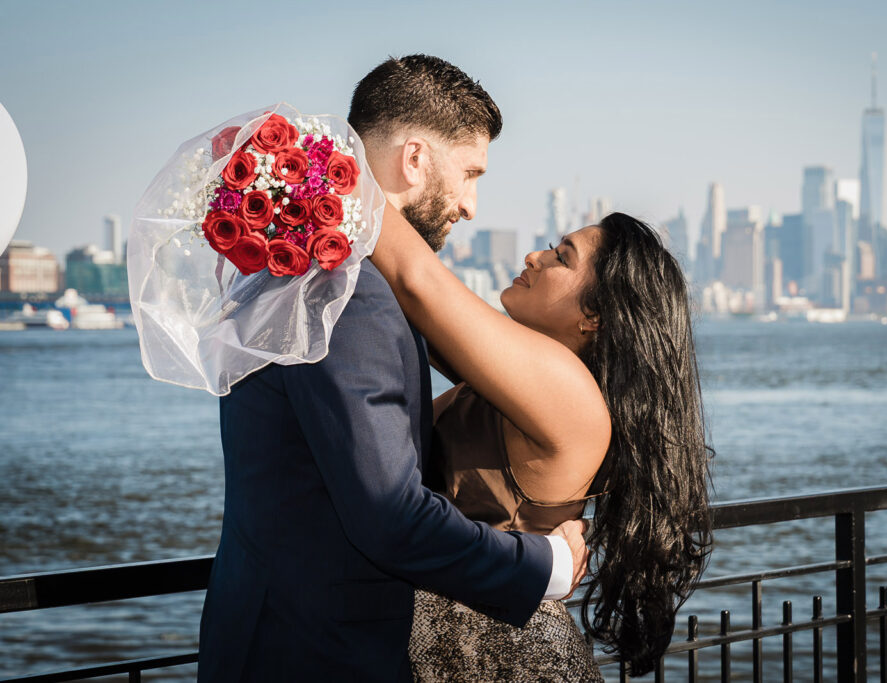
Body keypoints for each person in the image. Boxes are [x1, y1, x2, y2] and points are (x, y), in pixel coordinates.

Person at [197, 55, 589, 682]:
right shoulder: (348, 293)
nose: (470, 204)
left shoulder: (309, 271)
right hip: (320, 656)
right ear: (414, 159)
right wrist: (547, 566)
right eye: (469, 173)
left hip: (274, 637)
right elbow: (390, 515)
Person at [370, 205, 714, 678]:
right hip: (472, 643)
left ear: (593, 314)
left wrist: (323, 169)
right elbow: (409, 302)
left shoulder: (567, 392)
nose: (535, 256)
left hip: (507, 654)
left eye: (561, 257)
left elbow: (415, 280)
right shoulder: (523, 382)